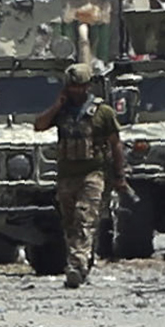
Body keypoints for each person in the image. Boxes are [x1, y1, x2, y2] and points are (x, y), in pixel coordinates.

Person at [33, 58, 126, 288]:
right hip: (66, 176)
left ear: (88, 86)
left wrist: (119, 175)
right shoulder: (62, 111)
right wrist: (57, 105)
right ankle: (84, 259)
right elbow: (39, 125)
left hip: (93, 174)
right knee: (70, 223)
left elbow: (116, 144)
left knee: (85, 218)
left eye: (79, 86)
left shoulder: (103, 112)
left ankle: (76, 266)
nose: (76, 90)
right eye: (71, 86)